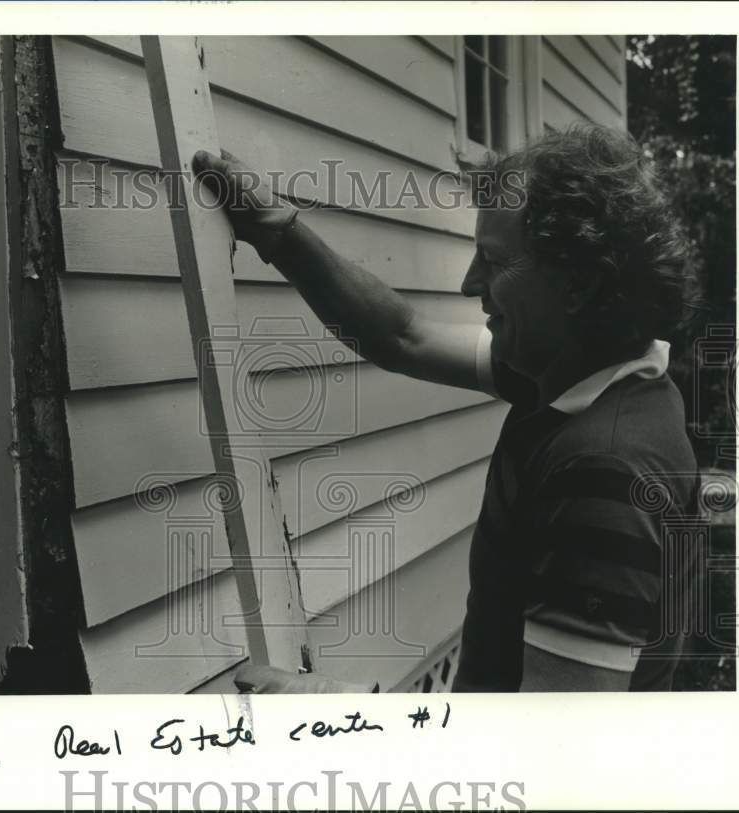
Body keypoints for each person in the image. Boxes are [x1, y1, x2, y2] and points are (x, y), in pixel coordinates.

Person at [193, 123, 700, 692]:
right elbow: (402, 337)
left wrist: (337, 709)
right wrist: (277, 230)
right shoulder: (584, 374)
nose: (468, 283)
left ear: (576, 284)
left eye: (494, 261)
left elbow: (553, 758)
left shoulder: (604, 469)